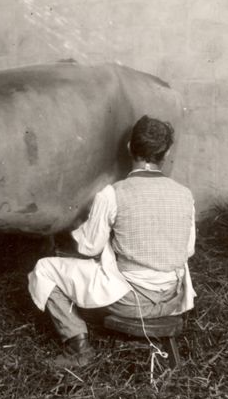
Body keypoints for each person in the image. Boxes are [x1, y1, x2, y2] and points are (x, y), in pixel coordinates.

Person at [28, 115, 196, 367]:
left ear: (130, 147)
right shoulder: (185, 195)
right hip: (172, 299)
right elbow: (188, 250)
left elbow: (89, 247)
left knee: (44, 269)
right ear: (167, 151)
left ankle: (78, 347)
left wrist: (75, 230)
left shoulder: (112, 194)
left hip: (131, 302)